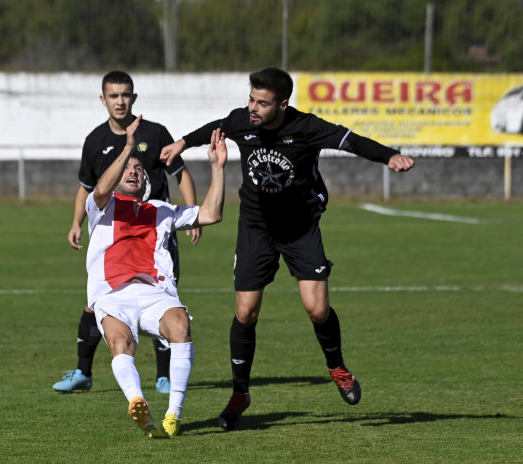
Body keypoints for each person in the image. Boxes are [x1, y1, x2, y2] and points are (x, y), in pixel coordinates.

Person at [160, 66, 415, 432]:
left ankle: (338, 368)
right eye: (251, 98)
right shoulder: (241, 120)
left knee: (317, 308)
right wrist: (182, 143)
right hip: (256, 227)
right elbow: (217, 127)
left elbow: (353, 140)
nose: (252, 108)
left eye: (262, 103)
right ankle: (240, 394)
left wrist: (389, 156)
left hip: (300, 227)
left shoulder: (307, 127)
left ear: (282, 104)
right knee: (245, 312)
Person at [53, 71, 201, 394]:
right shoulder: (95, 141)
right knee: (95, 303)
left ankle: (163, 376)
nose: (120, 101)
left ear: (133, 98)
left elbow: (181, 173)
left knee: (162, 296)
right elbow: (86, 188)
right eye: (113, 95)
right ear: (103, 99)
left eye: (125, 95)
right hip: (114, 235)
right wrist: (76, 222)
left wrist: (194, 215)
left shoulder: (156, 132)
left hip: (155, 232)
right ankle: (83, 372)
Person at [87, 114, 228, 438]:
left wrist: (217, 168)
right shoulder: (102, 207)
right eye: (127, 169)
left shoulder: (161, 209)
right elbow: (101, 188)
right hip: (112, 293)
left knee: (180, 325)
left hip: (154, 291)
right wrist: (128, 148)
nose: (134, 171)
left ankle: (172, 416)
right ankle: (138, 403)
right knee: (120, 342)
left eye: (138, 169)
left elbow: (211, 214)